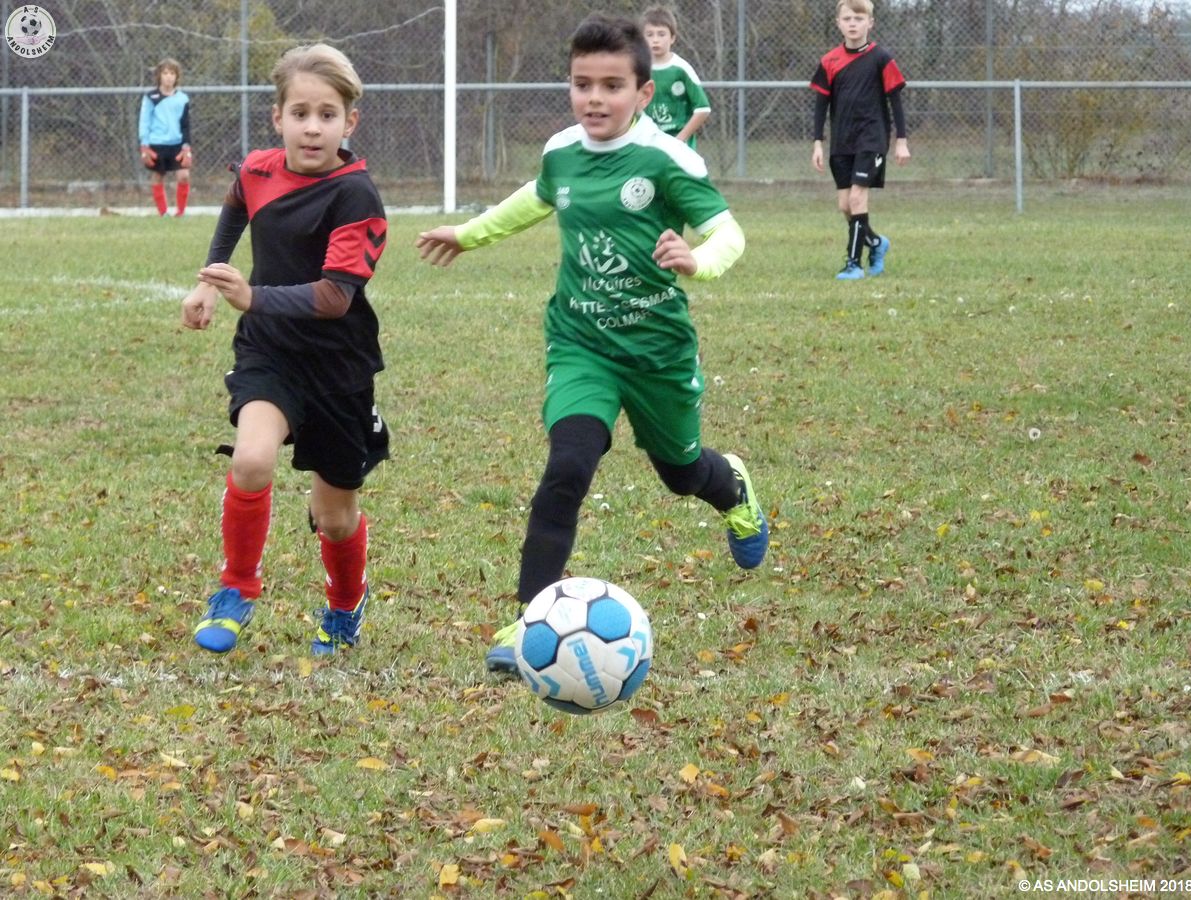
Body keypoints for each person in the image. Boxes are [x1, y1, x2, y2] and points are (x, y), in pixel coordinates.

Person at [416, 13, 768, 677]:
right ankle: (528, 621)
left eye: (612, 86)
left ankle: (735, 490)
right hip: (580, 344)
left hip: (657, 351)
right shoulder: (561, 152)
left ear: (643, 92)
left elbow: (729, 232)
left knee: (681, 473)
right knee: (569, 466)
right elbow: (537, 197)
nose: (595, 99)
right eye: (583, 85)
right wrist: (469, 233)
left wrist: (697, 259)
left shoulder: (667, 160)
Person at [180, 43, 389, 656]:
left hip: (338, 368)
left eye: (327, 115)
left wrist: (252, 296)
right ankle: (237, 587)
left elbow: (334, 297)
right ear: (278, 117)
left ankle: (345, 605)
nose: (313, 127)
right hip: (269, 352)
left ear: (350, 122)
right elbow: (236, 206)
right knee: (251, 459)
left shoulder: (356, 196)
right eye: (300, 113)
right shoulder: (259, 169)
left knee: (335, 516)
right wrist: (210, 278)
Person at [810, 0, 910, 280]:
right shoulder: (829, 61)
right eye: (847, 19)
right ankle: (876, 243)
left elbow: (896, 102)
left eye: (858, 18)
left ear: (870, 23)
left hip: (872, 138)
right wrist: (817, 142)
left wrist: (901, 140)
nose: (853, 24)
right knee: (845, 205)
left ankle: (853, 264)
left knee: (857, 198)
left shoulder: (881, 58)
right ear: (838, 23)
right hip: (842, 141)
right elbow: (820, 105)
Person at [641, 5, 711, 149]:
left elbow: (703, 109)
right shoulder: (637, 69)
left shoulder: (681, 69)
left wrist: (679, 139)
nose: (655, 40)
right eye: (650, 34)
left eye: (661, 34)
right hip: (647, 145)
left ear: (672, 38)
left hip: (678, 147)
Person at [138, 58, 193, 217]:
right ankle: (163, 213)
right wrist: (144, 145)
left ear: (177, 77)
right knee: (157, 176)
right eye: (165, 73)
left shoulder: (182, 98)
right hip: (156, 143)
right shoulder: (151, 97)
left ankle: (180, 213)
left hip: (177, 144)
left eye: (172, 73)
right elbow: (144, 121)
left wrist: (186, 145)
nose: (169, 77)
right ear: (159, 76)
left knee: (184, 176)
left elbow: (185, 124)